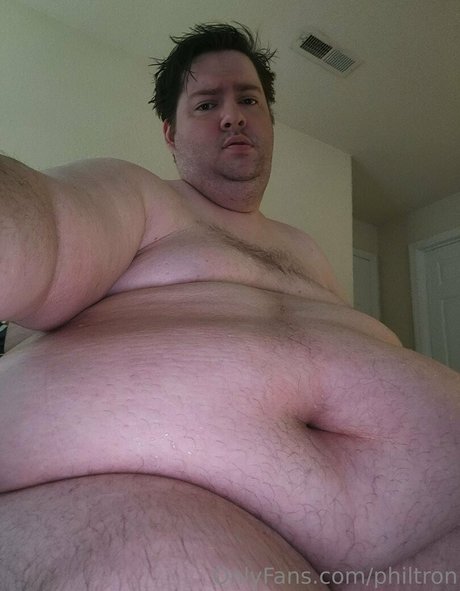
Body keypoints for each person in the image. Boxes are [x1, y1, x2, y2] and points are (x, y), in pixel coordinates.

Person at [0, 22, 458, 591]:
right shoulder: (138, 196)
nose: (233, 116)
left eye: (249, 100)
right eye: (206, 103)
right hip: (167, 510)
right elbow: (45, 226)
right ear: (170, 134)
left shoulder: (306, 250)